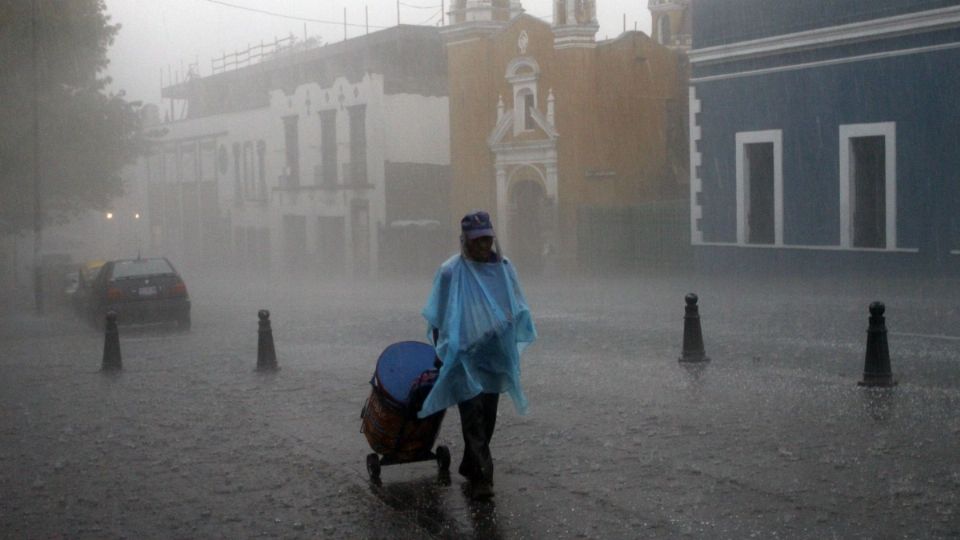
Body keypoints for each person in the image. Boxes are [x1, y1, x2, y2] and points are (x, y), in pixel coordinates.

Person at [417, 210, 537, 499]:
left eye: (487, 240)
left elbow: (517, 305)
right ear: (465, 242)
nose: (483, 246)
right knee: (472, 415)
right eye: (477, 241)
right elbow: (440, 314)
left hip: (494, 355)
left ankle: (471, 466)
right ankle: (483, 479)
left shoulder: (505, 269)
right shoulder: (450, 272)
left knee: (488, 416)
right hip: (464, 356)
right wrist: (442, 352)